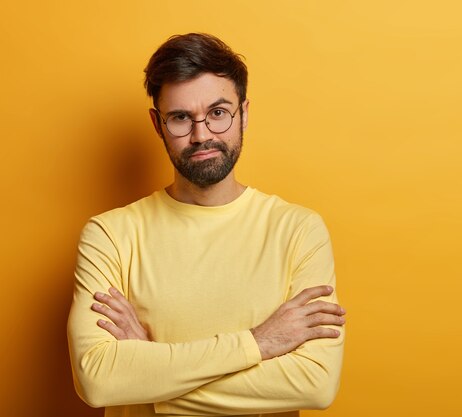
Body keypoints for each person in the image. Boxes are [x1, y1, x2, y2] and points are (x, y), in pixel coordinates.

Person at [67, 33, 345, 417]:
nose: (202, 135)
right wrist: (259, 344)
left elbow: (315, 384)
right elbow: (98, 380)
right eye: (181, 117)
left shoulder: (298, 230)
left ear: (244, 113)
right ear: (157, 123)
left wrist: (150, 368)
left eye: (218, 113)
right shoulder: (110, 235)